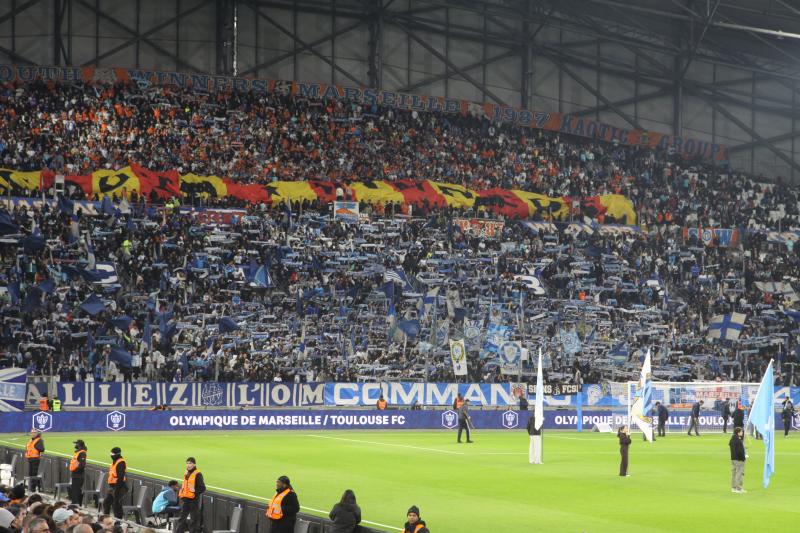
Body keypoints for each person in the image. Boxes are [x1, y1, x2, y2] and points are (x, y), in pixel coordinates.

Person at [174, 457, 205, 533]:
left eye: (190, 463)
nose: (188, 465)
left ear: (194, 464)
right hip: (185, 500)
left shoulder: (198, 474)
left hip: (193, 501)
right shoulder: (187, 473)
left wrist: (194, 491)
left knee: (193, 520)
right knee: (181, 519)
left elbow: (202, 488)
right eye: (187, 463)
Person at [102, 447, 128, 519]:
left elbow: (120, 478)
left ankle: (118, 521)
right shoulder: (115, 462)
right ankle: (106, 519)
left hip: (120, 487)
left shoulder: (121, 463)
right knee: (106, 503)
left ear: (117, 454)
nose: (111, 455)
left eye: (112, 454)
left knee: (116, 505)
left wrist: (117, 490)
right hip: (112, 487)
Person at [69, 439, 88, 505]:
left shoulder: (82, 453)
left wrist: (76, 470)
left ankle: (76, 504)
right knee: (75, 489)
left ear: (79, 445)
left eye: (76, 444)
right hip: (75, 474)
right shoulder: (78, 452)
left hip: (78, 474)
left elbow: (82, 465)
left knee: (77, 490)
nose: (75, 445)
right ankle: (75, 503)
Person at [729, 427, 746, 493]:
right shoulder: (738, 440)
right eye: (741, 431)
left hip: (733, 458)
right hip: (739, 460)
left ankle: (733, 488)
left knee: (734, 474)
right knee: (739, 474)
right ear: (738, 433)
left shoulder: (732, 439)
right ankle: (738, 488)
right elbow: (739, 451)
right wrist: (743, 458)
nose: (742, 433)